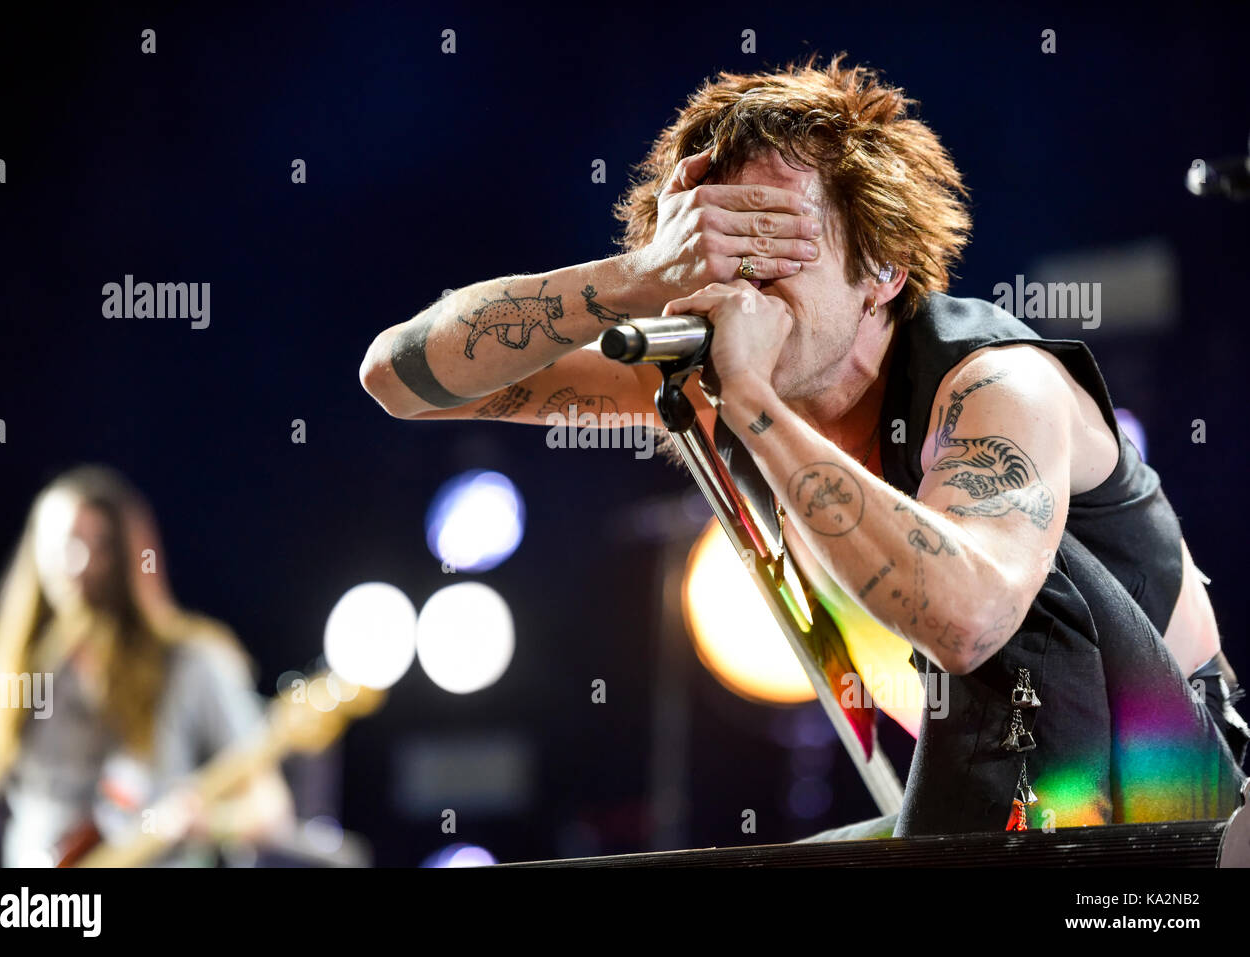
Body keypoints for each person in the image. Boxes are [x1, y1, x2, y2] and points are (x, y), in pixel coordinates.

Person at [359, 55, 1247, 836]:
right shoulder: (706, 382)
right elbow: (400, 379)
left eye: (772, 237)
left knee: (1019, 588)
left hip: (1174, 808)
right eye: (714, 242)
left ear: (883, 269)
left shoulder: (993, 385)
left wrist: (747, 397)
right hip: (987, 813)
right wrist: (629, 280)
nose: (739, 278)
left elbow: (972, 619)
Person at [0, 466, 294, 866]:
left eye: (101, 545)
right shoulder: (10, 669)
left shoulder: (192, 663)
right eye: (65, 544)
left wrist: (207, 822)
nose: (81, 562)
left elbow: (271, 811)